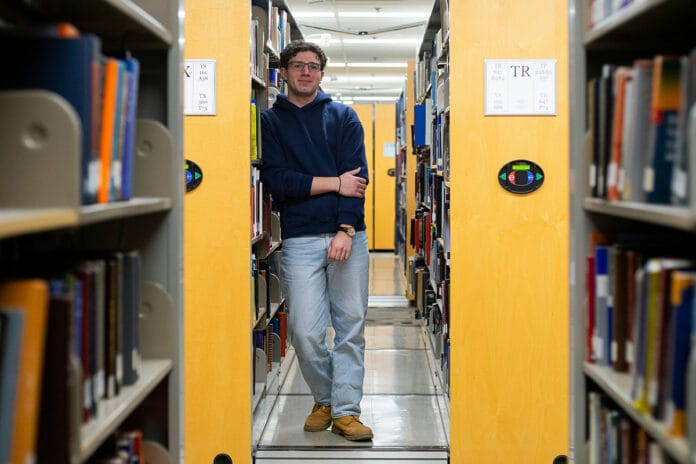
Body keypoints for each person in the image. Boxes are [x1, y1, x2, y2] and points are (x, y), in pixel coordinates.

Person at [259, 40, 373, 442]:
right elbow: (278, 181)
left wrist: (346, 229)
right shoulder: (270, 122)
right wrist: (334, 183)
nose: (305, 72)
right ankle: (324, 397)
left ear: (322, 73)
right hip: (299, 238)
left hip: (347, 238)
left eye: (313, 66)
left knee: (349, 327)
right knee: (305, 332)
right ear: (285, 72)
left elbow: (357, 181)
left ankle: (344, 411)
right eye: (297, 65)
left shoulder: (344, 117)